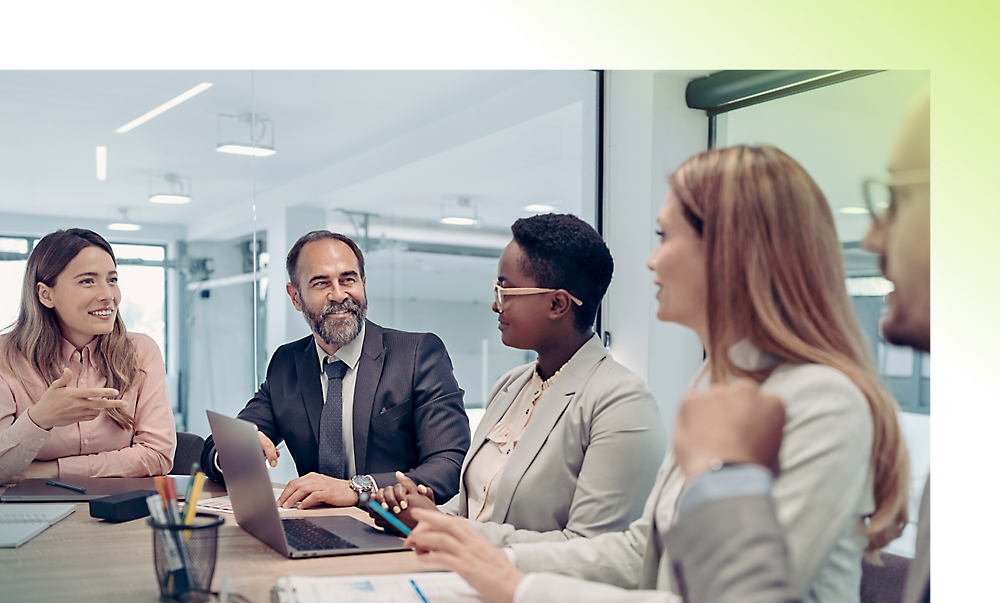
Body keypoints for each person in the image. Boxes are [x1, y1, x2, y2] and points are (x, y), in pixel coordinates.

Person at [397, 144, 910, 603]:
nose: (651, 259)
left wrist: (518, 586)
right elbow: (642, 552)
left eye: (665, 236)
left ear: (730, 251)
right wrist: (489, 555)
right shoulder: (717, 381)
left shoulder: (822, 402)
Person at [599, 91, 931, 603]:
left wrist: (726, 481)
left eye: (895, 198)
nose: (871, 237)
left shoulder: (821, 400)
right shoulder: (713, 383)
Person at [373, 213, 666, 544]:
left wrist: (443, 527)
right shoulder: (511, 384)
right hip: (465, 575)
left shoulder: (622, 403)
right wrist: (423, 512)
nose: (496, 305)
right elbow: (478, 509)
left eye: (506, 290)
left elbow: (590, 549)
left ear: (557, 303)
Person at [201, 230, 471, 508]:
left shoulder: (416, 354)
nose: (339, 295)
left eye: (348, 280)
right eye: (321, 283)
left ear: (363, 283)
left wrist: (359, 489)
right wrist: (236, 452)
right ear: (295, 296)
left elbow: (450, 464)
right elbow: (215, 448)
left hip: (398, 531)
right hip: (315, 528)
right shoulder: (287, 363)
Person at [0, 228, 175, 482]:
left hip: (121, 511)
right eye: (87, 281)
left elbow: (158, 455)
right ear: (46, 294)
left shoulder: (141, 352)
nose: (108, 296)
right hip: (27, 512)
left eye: (112, 280)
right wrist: (40, 419)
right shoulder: (6, 357)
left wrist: (52, 470)